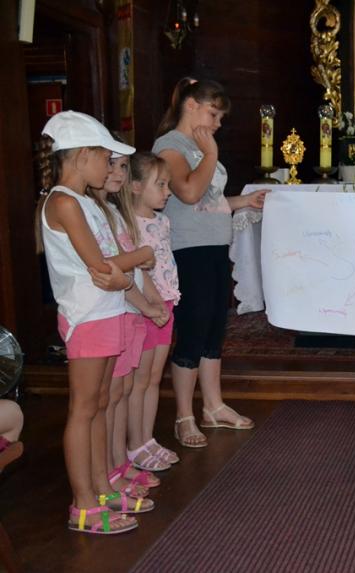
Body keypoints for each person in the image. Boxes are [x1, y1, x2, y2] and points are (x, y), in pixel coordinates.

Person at [37, 110, 155, 534]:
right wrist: (141, 256)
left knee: (100, 403)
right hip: (86, 315)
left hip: (107, 311)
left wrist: (120, 273)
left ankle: (102, 488)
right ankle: (83, 504)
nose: (110, 167)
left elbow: (110, 268)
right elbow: (100, 266)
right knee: (84, 409)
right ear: (82, 155)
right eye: (106, 158)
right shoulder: (63, 202)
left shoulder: (86, 201)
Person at [153, 78, 267, 448]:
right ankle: (184, 415)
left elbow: (208, 200)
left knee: (214, 329)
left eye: (220, 117)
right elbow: (188, 192)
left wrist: (243, 202)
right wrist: (211, 155)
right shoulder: (170, 146)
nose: (217, 123)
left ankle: (213, 406)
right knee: (193, 329)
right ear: (191, 105)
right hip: (188, 251)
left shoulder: (199, 146)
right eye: (213, 114)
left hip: (214, 247)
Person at [89, 151, 169, 497]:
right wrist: (145, 301)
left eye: (122, 165)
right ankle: (107, 471)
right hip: (109, 311)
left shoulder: (113, 215)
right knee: (105, 398)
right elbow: (115, 267)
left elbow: (136, 270)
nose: (117, 172)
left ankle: (119, 462)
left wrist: (152, 301)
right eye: (112, 164)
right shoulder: (94, 213)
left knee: (119, 392)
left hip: (129, 311)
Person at [130, 152, 182, 469]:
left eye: (168, 184)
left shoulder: (162, 221)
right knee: (139, 379)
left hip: (166, 304)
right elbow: (138, 270)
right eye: (160, 185)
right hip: (144, 307)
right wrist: (151, 303)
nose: (167, 192)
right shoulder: (127, 224)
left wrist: (166, 300)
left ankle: (147, 439)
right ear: (136, 186)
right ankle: (134, 444)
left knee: (153, 378)